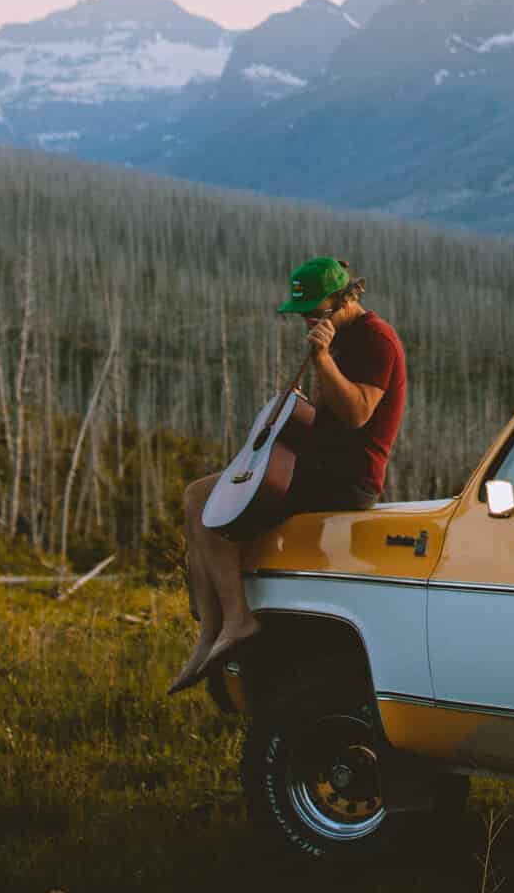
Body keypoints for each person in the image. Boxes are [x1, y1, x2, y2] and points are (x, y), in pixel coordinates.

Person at [169, 257, 408, 694]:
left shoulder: (377, 340)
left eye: (316, 311)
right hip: (314, 467)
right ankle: (210, 631)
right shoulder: (341, 337)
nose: (308, 320)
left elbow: (357, 413)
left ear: (344, 299)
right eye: (304, 314)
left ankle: (238, 621)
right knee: (196, 496)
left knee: (210, 502)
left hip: (346, 480)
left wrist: (321, 358)